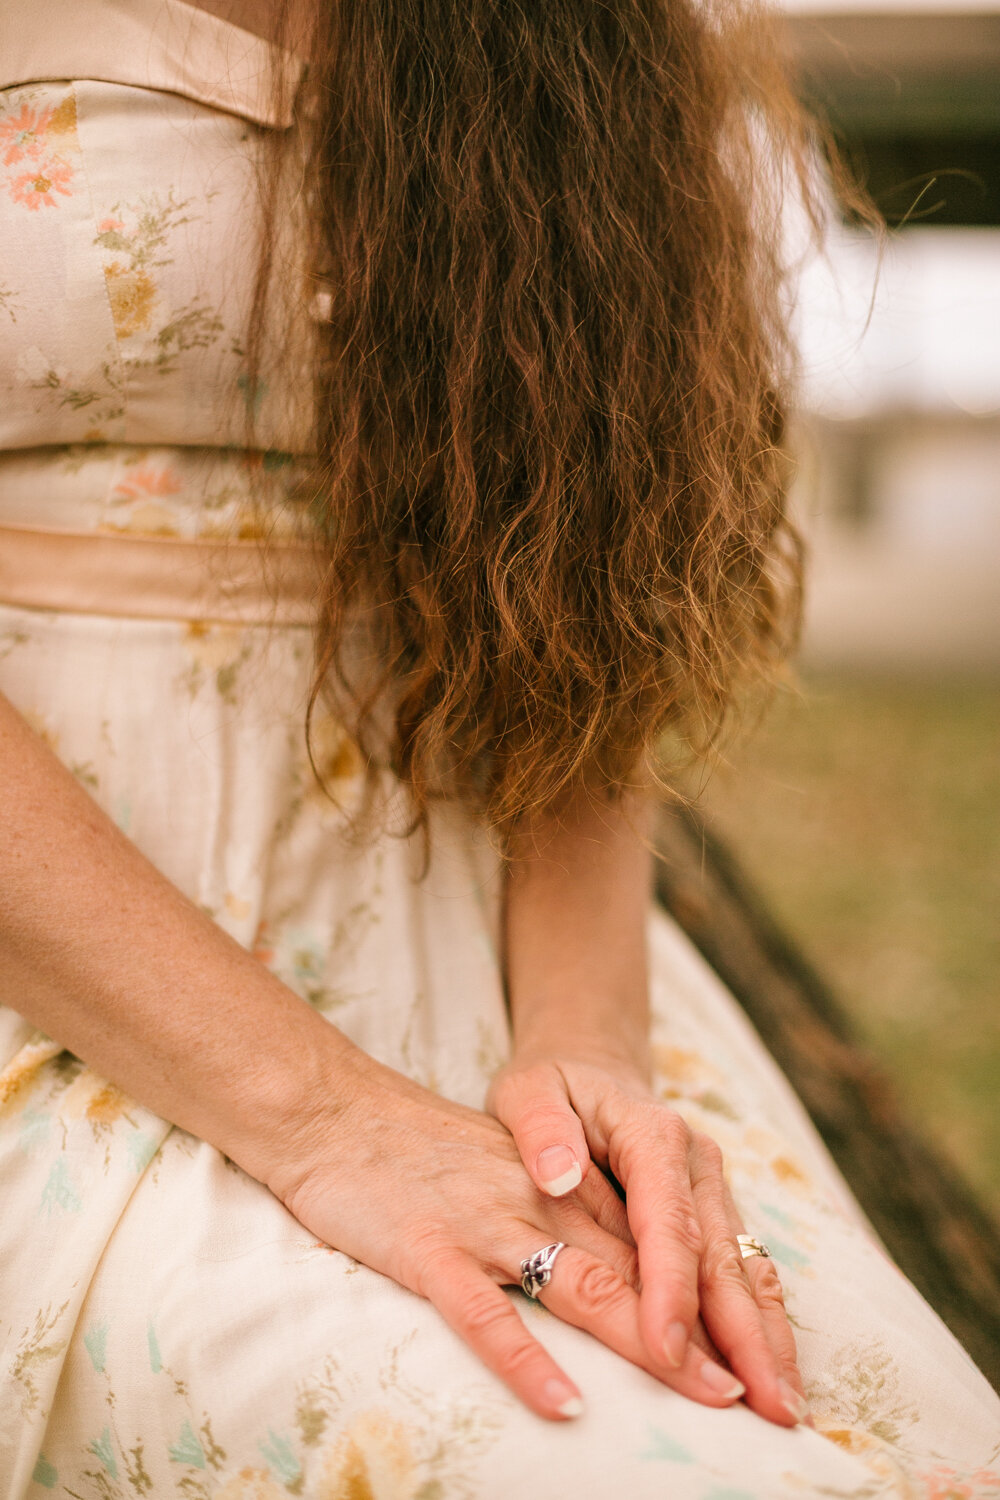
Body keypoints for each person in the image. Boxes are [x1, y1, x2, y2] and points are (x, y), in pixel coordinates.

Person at [0, 0, 997, 1495]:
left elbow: (589, 546)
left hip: (498, 953)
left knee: (881, 1441)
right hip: (63, 968)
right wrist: (332, 1123)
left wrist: (585, 1044)